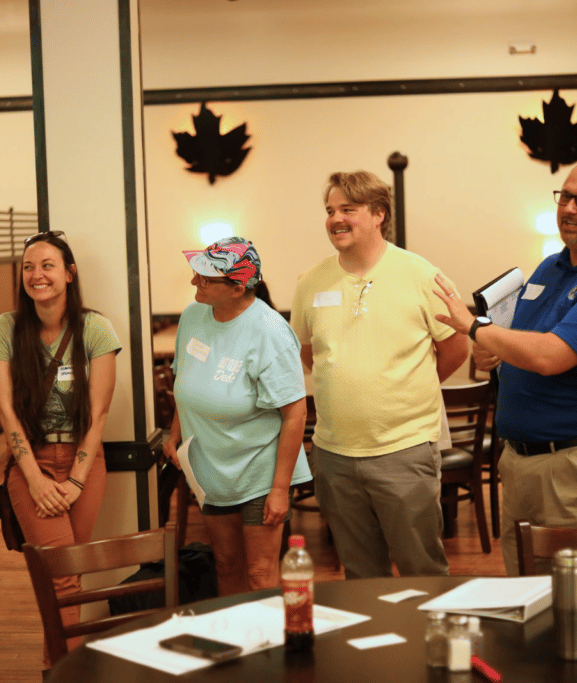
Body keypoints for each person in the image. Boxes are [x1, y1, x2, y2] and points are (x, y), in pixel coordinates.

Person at [432, 156, 577, 578]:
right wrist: (491, 353)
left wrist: (474, 329)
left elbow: (551, 356)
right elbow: (518, 340)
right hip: (522, 463)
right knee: (529, 601)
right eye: (565, 196)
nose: (568, 208)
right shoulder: (550, 268)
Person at [290, 171, 468, 579]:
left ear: (378, 214)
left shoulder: (423, 276)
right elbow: (307, 350)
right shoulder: (310, 282)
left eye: (347, 210)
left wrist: (404, 386)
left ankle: (430, 644)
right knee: (359, 577)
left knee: (421, 570)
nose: (335, 218)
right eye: (330, 210)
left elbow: (456, 348)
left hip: (404, 451)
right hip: (334, 454)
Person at [0, 230, 120, 671]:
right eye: (28, 267)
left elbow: (98, 415)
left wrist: (77, 478)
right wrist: (36, 477)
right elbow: (5, 412)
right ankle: (63, 671)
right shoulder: (4, 329)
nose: (37, 275)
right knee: (62, 576)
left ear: (69, 272)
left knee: (69, 575)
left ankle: (57, 668)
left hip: (85, 462)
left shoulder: (95, 328)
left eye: (47, 265)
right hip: (31, 462)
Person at [162, 237, 312, 596]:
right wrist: (173, 435)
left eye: (206, 277)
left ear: (238, 286)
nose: (194, 282)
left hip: (260, 470)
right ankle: (238, 647)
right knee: (226, 566)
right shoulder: (192, 317)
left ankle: (271, 649)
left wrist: (279, 490)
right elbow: (186, 383)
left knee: (260, 573)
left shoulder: (270, 332)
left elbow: (295, 414)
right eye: (196, 273)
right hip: (211, 468)